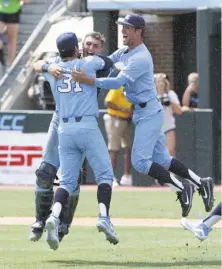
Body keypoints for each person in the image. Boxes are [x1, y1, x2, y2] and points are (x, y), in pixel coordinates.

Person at [72, 13, 214, 218]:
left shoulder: (140, 57)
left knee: (140, 161)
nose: (123, 30)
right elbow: (107, 62)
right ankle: (201, 183)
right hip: (144, 112)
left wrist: (89, 80)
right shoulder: (126, 51)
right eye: (122, 26)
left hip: (148, 113)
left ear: (139, 31)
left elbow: (117, 82)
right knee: (163, 159)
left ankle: (184, 189)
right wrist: (85, 62)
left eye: (128, 27)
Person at [29, 32, 111, 243]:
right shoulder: (69, 62)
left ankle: (62, 224)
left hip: (82, 120)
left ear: (101, 48)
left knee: (71, 179)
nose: (91, 47)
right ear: (79, 46)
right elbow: (36, 64)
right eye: (87, 43)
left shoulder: (95, 64)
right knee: (46, 172)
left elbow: (109, 64)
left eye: (96, 45)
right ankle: (40, 220)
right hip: (62, 118)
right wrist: (48, 67)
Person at [104, 66, 133, 187]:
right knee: (114, 149)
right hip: (115, 118)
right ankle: (111, 177)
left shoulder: (132, 88)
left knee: (128, 148)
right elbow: (107, 102)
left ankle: (126, 176)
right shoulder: (118, 86)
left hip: (126, 120)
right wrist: (123, 109)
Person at [154, 73, 183, 156]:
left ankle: (171, 169)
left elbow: (179, 111)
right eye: (158, 81)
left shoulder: (171, 94)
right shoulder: (152, 96)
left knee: (170, 151)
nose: (160, 84)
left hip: (169, 126)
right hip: (156, 129)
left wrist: (169, 100)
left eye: (162, 81)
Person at [0, 0, 28, 67]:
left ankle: (10, 63)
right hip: (1, 11)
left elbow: (25, 1)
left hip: (13, 12)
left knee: (12, 38)